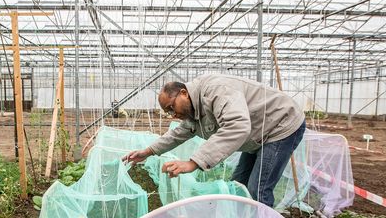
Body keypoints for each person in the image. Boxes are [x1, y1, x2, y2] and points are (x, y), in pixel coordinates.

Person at [123, 73, 306, 208]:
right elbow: (177, 134)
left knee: (258, 190)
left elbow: (238, 125)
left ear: (183, 93)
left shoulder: (216, 90)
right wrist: (147, 152)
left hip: (281, 125)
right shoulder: (193, 110)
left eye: (171, 107)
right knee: (238, 186)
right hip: (257, 133)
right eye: (168, 112)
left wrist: (193, 163)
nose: (173, 115)